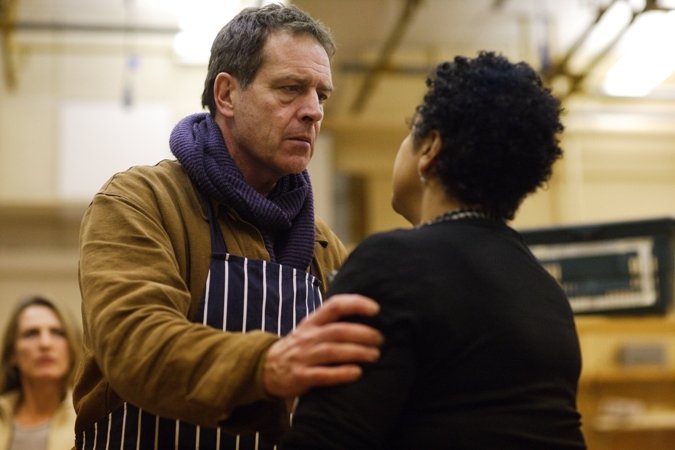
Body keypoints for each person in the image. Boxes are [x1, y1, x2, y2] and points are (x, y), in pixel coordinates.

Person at [73, 4, 382, 450]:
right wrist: (267, 366)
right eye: (291, 89)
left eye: (322, 96)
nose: (313, 111)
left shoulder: (322, 244)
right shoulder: (141, 202)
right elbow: (134, 343)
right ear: (226, 95)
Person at [282, 51, 587, 449]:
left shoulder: (390, 264)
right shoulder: (546, 293)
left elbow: (326, 438)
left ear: (430, 149)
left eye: (410, 133)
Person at [0, 295, 82, 450]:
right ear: (13, 354)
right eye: (31, 333)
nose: (45, 344)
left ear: (71, 348)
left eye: (57, 333)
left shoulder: (88, 419)